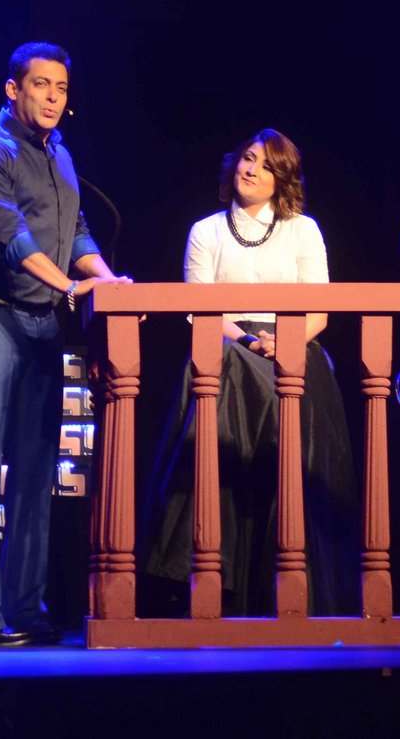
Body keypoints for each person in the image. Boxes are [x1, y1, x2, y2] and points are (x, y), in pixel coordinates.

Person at [0, 42, 130, 647]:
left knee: (35, 469)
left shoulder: (60, 156)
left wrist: (111, 284)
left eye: (62, 88)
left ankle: (24, 609)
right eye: (41, 84)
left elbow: (77, 232)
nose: (53, 97)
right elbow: (13, 239)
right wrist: (72, 287)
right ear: (13, 88)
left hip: (43, 322)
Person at [143, 129, 359, 616]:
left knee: (253, 380)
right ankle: (203, 565)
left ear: (282, 178)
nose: (251, 169)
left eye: (265, 165)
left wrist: (284, 343)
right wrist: (246, 340)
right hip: (228, 345)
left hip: (294, 348)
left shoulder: (303, 229)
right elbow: (199, 309)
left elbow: (319, 310)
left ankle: (261, 577)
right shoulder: (206, 230)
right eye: (247, 158)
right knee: (218, 368)